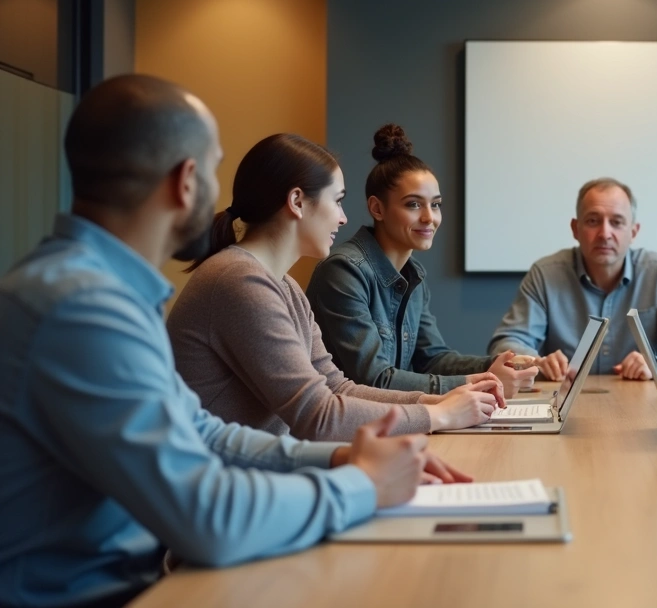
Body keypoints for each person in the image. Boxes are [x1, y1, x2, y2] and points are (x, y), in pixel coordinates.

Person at [0, 74, 467, 608]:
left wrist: (340, 460)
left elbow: (205, 434)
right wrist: (361, 484)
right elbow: (207, 517)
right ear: (187, 180)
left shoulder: (97, 290)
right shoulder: (83, 308)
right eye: (213, 168)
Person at [168, 133, 504, 441]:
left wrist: (438, 401)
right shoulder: (240, 281)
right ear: (297, 201)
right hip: (219, 480)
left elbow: (337, 387)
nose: (343, 218)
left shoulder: (284, 286)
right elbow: (317, 416)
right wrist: (438, 415)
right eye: (338, 201)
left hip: (261, 469)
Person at [307, 124, 538, 397]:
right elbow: (374, 379)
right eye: (414, 204)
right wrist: (481, 382)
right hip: (348, 420)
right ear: (377, 208)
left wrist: (499, 365)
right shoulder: (344, 271)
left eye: (435, 204)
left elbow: (433, 359)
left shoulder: (412, 275)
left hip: (394, 417)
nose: (430, 218)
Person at [488, 178, 657, 380]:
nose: (604, 234)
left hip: (642, 400)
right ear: (575, 229)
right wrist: (537, 362)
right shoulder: (545, 275)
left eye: (617, 222)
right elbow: (505, 344)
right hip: (564, 401)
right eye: (593, 221)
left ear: (633, 232)